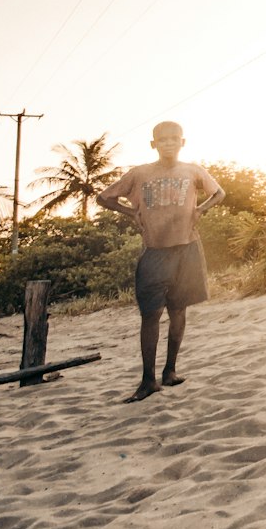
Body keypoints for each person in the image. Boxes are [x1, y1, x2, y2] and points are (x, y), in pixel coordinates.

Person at [97, 121, 224, 404]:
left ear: (183, 142)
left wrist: (200, 210)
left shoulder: (193, 170)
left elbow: (219, 192)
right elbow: (104, 197)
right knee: (151, 315)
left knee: (179, 310)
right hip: (154, 251)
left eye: (173, 139)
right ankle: (147, 380)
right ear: (153, 144)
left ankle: (170, 371)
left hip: (187, 248)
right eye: (162, 140)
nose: (168, 143)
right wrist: (131, 212)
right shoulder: (140, 173)